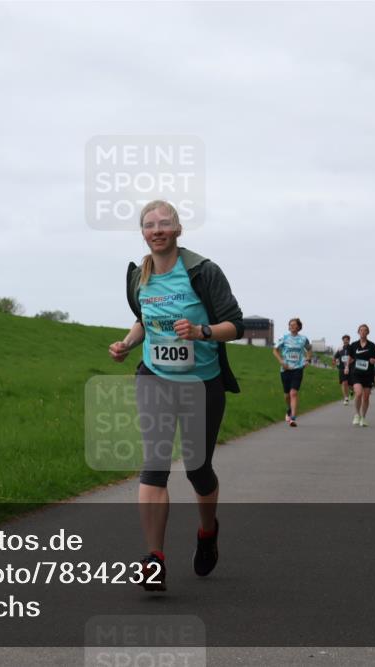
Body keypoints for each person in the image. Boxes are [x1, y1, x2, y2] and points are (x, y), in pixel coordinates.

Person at [108, 200, 243, 592]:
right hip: (155, 378)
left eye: (164, 223)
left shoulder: (203, 272)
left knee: (198, 470)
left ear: (178, 229)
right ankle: (154, 559)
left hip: (202, 383)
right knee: (155, 466)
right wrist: (127, 344)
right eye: (149, 225)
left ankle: (207, 531)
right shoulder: (139, 277)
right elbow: (143, 320)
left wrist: (202, 332)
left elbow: (235, 324)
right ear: (143, 233)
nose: (157, 230)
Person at [272, 318, 312, 427]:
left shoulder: (303, 339)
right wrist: (281, 361)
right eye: (290, 325)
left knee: (293, 393)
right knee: (286, 395)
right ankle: (289, 409)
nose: (292, 326)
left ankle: (293, 418)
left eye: (294, 325)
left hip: (298, 368)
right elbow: (275, 350)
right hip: (285, 369)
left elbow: (309, 349)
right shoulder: (284, 337)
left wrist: (308, 359)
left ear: (299, 327)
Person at [348, 324, 375, 427]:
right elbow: (350, 358)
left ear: (368, 332)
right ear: (358, 332)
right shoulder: (354, 345)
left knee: (366, 397)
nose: (363, 332)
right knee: (358, 394)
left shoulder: (372, 345)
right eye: (361, 330)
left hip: (368, 374)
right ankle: (357, 414)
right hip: (356, 373)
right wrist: (346, 367)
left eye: (365, 330)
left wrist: (374, 360)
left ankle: (363, 417)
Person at [334, 334, 352, 405]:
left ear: (349, 340)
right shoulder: (340, 349)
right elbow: (335, 357)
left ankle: (351, 390)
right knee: (344, 383)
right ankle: (346, 398)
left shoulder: (352, 348)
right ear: (342, 341)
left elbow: (355, 357)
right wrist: (336, 363)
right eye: (344, 340)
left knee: (350, 384)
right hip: (342, 368)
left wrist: (350, 363)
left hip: (351, 368)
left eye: (347, 340)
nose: (345, 341)